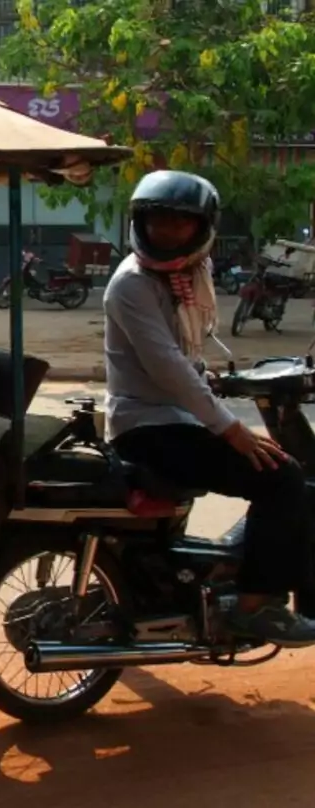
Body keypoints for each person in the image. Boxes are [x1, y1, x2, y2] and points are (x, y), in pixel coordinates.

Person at [103, 169, 315, 647]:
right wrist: (229, 428)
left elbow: (187, 357)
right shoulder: (132, 284)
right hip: (148, 427)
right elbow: (167, 369)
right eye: (158, 222)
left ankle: (225, 570)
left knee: (270, 473)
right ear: (141, 222)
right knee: (282, 478)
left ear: (201, 228)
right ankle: (257, 604)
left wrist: (214, 382)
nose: (166, 232)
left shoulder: (190, 276)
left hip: (173, 417)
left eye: (180, 223)